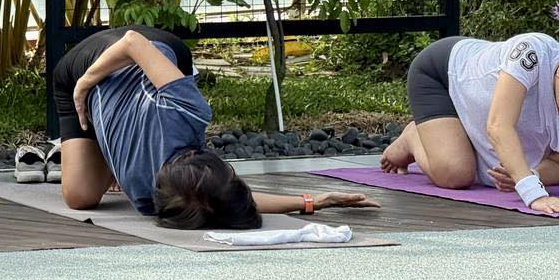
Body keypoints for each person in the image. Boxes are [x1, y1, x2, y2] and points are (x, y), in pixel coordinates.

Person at [52, 26, 379, 228]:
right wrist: (84, 84)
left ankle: (94, 152)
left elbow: (228, 202)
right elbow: (132, 42)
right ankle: (92, 147)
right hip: (96, 62)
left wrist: (312, 201)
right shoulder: (190, 112)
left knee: (80, 197)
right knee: (83, 194)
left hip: (146, 72)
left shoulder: (148, 196)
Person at [381, 32, 559, 216]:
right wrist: (534, 193)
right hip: (442, 74)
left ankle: (450, 135)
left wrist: (531, 175)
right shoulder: (530, 53)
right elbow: (499, 126)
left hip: (480, 106)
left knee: (516, 170)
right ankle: (415, 135)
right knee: (456, 174)